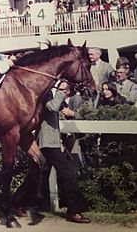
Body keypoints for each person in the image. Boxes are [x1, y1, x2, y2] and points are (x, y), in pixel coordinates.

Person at [36, 81, 91, 223]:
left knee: (36, 175)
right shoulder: (45, 93)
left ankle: (18, 203)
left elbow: (69, 113)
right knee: (67, 173)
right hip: (47, 142)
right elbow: (53, 107)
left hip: (51, 141)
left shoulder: (53, 95)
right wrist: (62, 92)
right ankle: (74, 211)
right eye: (60, 88)